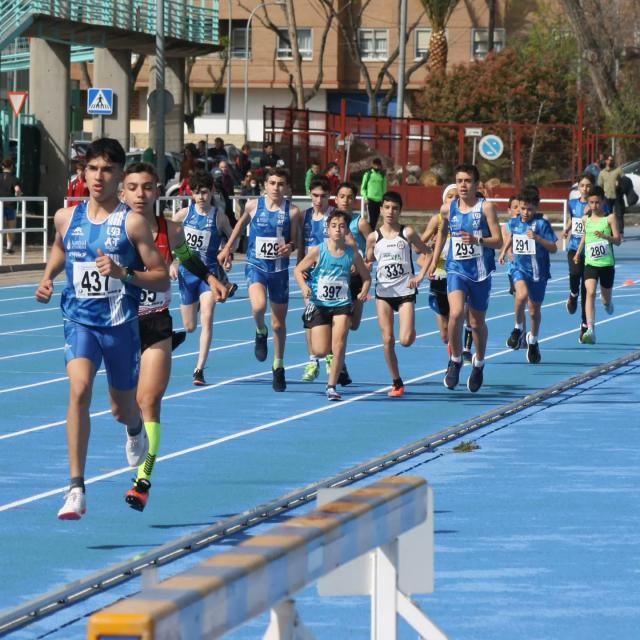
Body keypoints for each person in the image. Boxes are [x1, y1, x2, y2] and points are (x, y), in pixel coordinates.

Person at [34, 138, 170, 520]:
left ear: (119, 176)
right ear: (83, 172)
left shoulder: (133, 222)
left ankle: (134, 430)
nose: (98, 176)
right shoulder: (67, 216)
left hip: (120, 326)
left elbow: (161, 278)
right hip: (79, 321)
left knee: (121, 408)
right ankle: (76, 488)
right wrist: (48, 277)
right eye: (92, 168)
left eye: (107, 170)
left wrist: (124, 273)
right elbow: (62, 248)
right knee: (78, 390)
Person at [121, 163, 228, 511]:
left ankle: (143, 481)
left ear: (157, 192)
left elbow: (188, 259)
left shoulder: (172, 229)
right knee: (125, 408)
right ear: (123, 192)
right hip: (119, 325)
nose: (140, 194)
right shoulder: (114, 229)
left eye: (148, 187)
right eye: (133, 187)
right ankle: (133, 429)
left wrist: (211, 278)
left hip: (155, 323)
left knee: (150, 401)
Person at [218, 167, 302, 392]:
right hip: (256, 265)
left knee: (279, 323)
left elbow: (294, 240)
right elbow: (240, 224)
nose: (276, 187)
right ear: (265, 185)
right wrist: (228, 247)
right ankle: (260, 330)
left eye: (280, 184)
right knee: (258, 306)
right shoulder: (253, 205)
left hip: (279, 271)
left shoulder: (292, 212)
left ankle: (278, 365)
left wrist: (290, 247)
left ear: (287, 188)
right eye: (272, 183)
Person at [428, 163, 503, 393]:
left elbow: (499, 241)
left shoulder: (486, 208)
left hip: (480, 272)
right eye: (459, 181)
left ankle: (479, 363)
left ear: (476, 184)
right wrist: (433, 260)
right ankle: (456, 359)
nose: (463, 185)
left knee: (476, 323)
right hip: (456, 269)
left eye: (467, 181)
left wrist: (477, 239)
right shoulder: (448, 208)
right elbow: (442, 232)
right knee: (456, 313)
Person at [295, 210, 371, 401]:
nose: (338, 229)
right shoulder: (318, 251)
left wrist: (363, 291)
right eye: (334, 226)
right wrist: (304, 286)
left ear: (347, 230)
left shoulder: (351, 254)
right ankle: (324, 358)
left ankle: (331, 386)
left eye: (342, 226)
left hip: (342, 304)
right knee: (320, 350)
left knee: (339, 344)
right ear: (327, 230)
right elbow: (298, 270)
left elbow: (367, 277)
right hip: (320, 304)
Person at [172, 170, 238, 386]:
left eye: (205, 193)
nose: (201, 197)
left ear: (212, 193)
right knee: (190, 326)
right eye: (197, 193)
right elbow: (169, 240)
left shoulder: (218, 217)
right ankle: (198, 307)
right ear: (191, 194)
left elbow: (234, 239)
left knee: (207, 319)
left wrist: (228, 252)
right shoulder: (183, 215)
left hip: (208, 276)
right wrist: (172, 262)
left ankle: (199, 369)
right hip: (186, 274)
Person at [366, 191, 430, 397]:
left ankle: (410, 330)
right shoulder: (373, 237)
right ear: (381, 209)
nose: (390, 212)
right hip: (383, 293)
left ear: (400, 211)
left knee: (405, 340)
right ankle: (396, 382)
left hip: (405, 293)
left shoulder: (407, 233)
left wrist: (420, 276)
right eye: (386, 207)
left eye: (394, 208)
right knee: (387, 340)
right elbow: (368, 260)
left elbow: (427, 252)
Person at [498, 188, 558, 363]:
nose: (525, 212)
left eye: (529, 209)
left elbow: (553, 248)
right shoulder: (515, 222)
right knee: (521, 295)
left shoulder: (542, 225)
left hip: (539, 273)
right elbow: (511, 236)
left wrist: (538, 239)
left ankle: (533, 340)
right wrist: (503, 252)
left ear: (536, 208)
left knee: (534, 311)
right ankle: (517, 329)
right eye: (522, 208)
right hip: (520, 268)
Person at [574, 185, 622, 344]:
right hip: (591, 263)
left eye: (597, 202)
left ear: (603, 202)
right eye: (591, 202)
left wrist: (605, 236)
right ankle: (590, 329)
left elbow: (618, 241)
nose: (594, 206)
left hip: (607, 264)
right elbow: (585, 237)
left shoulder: (610, 218)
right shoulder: (586, 219)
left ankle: (608, 303)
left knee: (605, 299)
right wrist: (577, 253)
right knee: (590, 292)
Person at [336, 181, 372, 385]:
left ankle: (338, 356)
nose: (345, 200)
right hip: (336, 279)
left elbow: (372, 242)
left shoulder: (360, 223)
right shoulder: (331, 221)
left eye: (350, 197)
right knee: (339, 321)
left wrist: (366, 261)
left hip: (356, 278)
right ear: (337, 197)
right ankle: (339, 362)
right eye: (342, 196)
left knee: (354, 324)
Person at [300, 177, 333, 382]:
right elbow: (301, 244)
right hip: (310, 277)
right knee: (310, 318)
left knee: (328, 320)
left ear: (329, 196)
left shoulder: (334, 218)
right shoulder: (304, 217)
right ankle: (312, 361)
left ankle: (330, 355)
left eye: (323, 196)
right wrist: (300, 267)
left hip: (331, 276)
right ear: (310, 195)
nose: (319, 200)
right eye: (315, 196)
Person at [420, 184, 457, 353]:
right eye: (450, 196)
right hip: (439, 274)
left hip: (457, 273)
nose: (453, 199)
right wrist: (431, 245)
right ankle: (450, 340)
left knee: (456, 314)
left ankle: (455, 349)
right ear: (444, 200)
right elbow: (419, 245)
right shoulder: (438, 219)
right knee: (444, 333)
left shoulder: (466, 217)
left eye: (456, 196)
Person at [563, 174, 593, 341]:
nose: (585, 188)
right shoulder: (573, 203)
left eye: (588, 185)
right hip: (574, 248)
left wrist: (594, 212)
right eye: (582, 185)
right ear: (578, 187)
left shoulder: (596, 205)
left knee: (587, 289)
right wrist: (567, 229)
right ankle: (572, 295)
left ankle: (583, 325)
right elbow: (573, 219)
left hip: (589, 251)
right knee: (574, 275)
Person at [597, 155, 624, 236]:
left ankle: (620, 233)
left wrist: (619, 183)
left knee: (619, 215)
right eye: (609, 160)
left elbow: (625, 181)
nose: (610, 161)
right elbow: (600, 185)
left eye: (612, 160)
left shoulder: (618, 170)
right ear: (606, 161)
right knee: (607, 215)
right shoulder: (602, 173)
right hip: (606, 197)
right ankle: (609, 232)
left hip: (617, 196)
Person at [0, 158, 22, 253]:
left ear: (2, 166)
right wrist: (19, 195)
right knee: (11, 227)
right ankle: (9, 248)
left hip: (0, 204)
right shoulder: (14, 178)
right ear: (11, 167)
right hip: (10, 205)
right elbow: (17, 190)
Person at [361, 157, 387, 230]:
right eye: (375, 165)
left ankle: (372, 233)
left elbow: (384, 189)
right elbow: (363, 188)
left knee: (376, 219)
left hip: (379, 200)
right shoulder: (368, 175)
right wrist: (365, 197)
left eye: (378, 165)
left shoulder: (382, 176)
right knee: (371, 219)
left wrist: (384, 199)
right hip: (370, 200)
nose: (377, 167)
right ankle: (369, 235)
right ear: (372, 165)